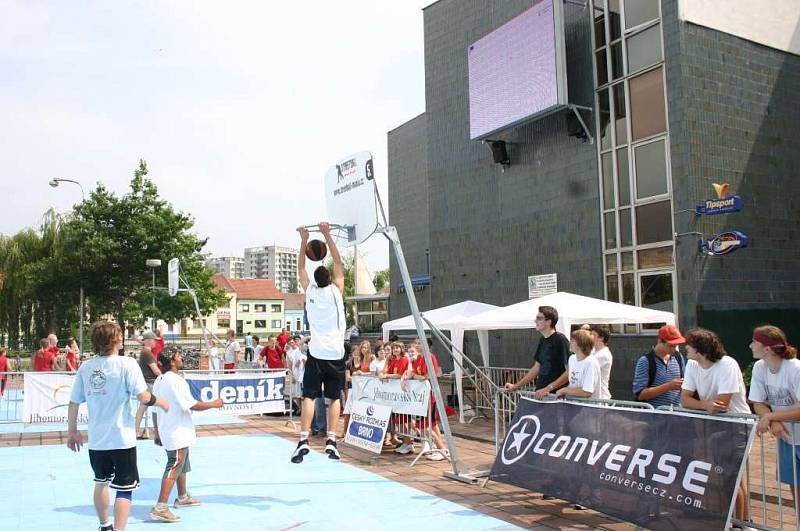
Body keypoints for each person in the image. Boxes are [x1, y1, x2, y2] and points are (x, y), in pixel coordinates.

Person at [66, 321, 169, 531]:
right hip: (122, 438)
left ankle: (105, 525)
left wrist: (72, 432)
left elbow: (73, 402)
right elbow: (143, 396)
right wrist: (162, 402)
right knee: (124, 489)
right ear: (117, 340)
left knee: (101, 482)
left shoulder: (86, 367)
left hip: (97, 439)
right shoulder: (126, 364)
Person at [679, 328, 750, 523]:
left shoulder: (727, 364)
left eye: (690, 345)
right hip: (716, 424)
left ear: (700, 349)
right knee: (727, 476)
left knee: (732, 476)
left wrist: (707, 406)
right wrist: (705, 405)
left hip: (737, 425)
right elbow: (685, 399)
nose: (686, 348)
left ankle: (741, 522)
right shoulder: (693, 365)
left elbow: (722, 404)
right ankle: (739, 520)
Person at [291, 221, 346, 463]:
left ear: (314, 280)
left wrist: (304, 239)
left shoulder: (310, 292)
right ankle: (331, 441)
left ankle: (303, 439)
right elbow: (339, 262)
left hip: (316, 353)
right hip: (335, 354)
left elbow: (300, 267)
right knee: (333, 398)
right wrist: (327, 235)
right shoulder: (336, 290)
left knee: (309, 397)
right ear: (330, 278)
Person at [149, 349, 224, 522]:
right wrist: (214, 403)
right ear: (173, 361)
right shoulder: (176, 380)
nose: (182, 357)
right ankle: (161, 506)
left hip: (171, 429)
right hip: (176, 430)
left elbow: (154, 408)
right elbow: (191, 405)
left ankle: (182, 496)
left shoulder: (160, 380)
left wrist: (157, 432)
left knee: (182, 464)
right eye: (178, 356)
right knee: (174, 465)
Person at [749, 325, 800, 511]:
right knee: (795, 484)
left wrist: (771, 416)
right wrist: (775, 420)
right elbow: (757, 403)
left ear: (767, 348)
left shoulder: (795, 368)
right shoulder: (759, 367)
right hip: (787, 437)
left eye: (754, 342)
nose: (750, 346)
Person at [504, 306, 570, 396]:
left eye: (539, 318)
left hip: (555, 397)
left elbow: (569, 371)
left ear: (548, 322)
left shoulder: (560, 340)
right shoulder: (542, 340)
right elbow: (536, 368)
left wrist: (548, 388)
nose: (535, 321)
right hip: (541, 394)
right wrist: (515, 386)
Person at [406, 339, 451, 461]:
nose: (417, 345)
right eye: (417, 343)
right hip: (421, 396)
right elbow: (412, 374)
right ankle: (439, 448)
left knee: (423, 425)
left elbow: (429, 376)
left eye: (420, 343)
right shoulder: (418, 358)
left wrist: (417, 376)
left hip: (429, 395)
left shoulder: (429, 357)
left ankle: (442, 449)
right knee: (432, 423)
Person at [632, 325, 686, 408]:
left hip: (676, 414)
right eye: (671, 346)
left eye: (676, 346)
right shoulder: (645, 361)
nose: (674, 349)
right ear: (660, 341)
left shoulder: (678, 357)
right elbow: (640, 394)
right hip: (653, 416)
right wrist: (668, 386)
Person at [554, 329, 601, 400]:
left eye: (573, 340)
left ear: (581, 344)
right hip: (574, 406)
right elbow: (574, 384)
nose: (570, 342)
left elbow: (587, 392)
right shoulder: (572, 359)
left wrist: (564, 390)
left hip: (589, 408)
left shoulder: (591, 363)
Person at [135, 331, 161, 440]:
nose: (156, 342)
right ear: (150, 341)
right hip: (150, 382)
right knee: (156, 406)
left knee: (143, 407)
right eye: (154, 340)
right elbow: (155, 371)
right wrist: (166, 376)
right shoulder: (147, 353)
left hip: (147, 382)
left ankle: (136, 430)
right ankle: (157, 431)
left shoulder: (145, 352)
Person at [589, 325, 613, 399]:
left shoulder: (604, 354)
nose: (590, 337)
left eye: (593, 335)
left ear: (601, 338)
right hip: (592, 397)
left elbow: (586, 367)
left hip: (600, 397)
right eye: (590, 334)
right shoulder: (593, 351)